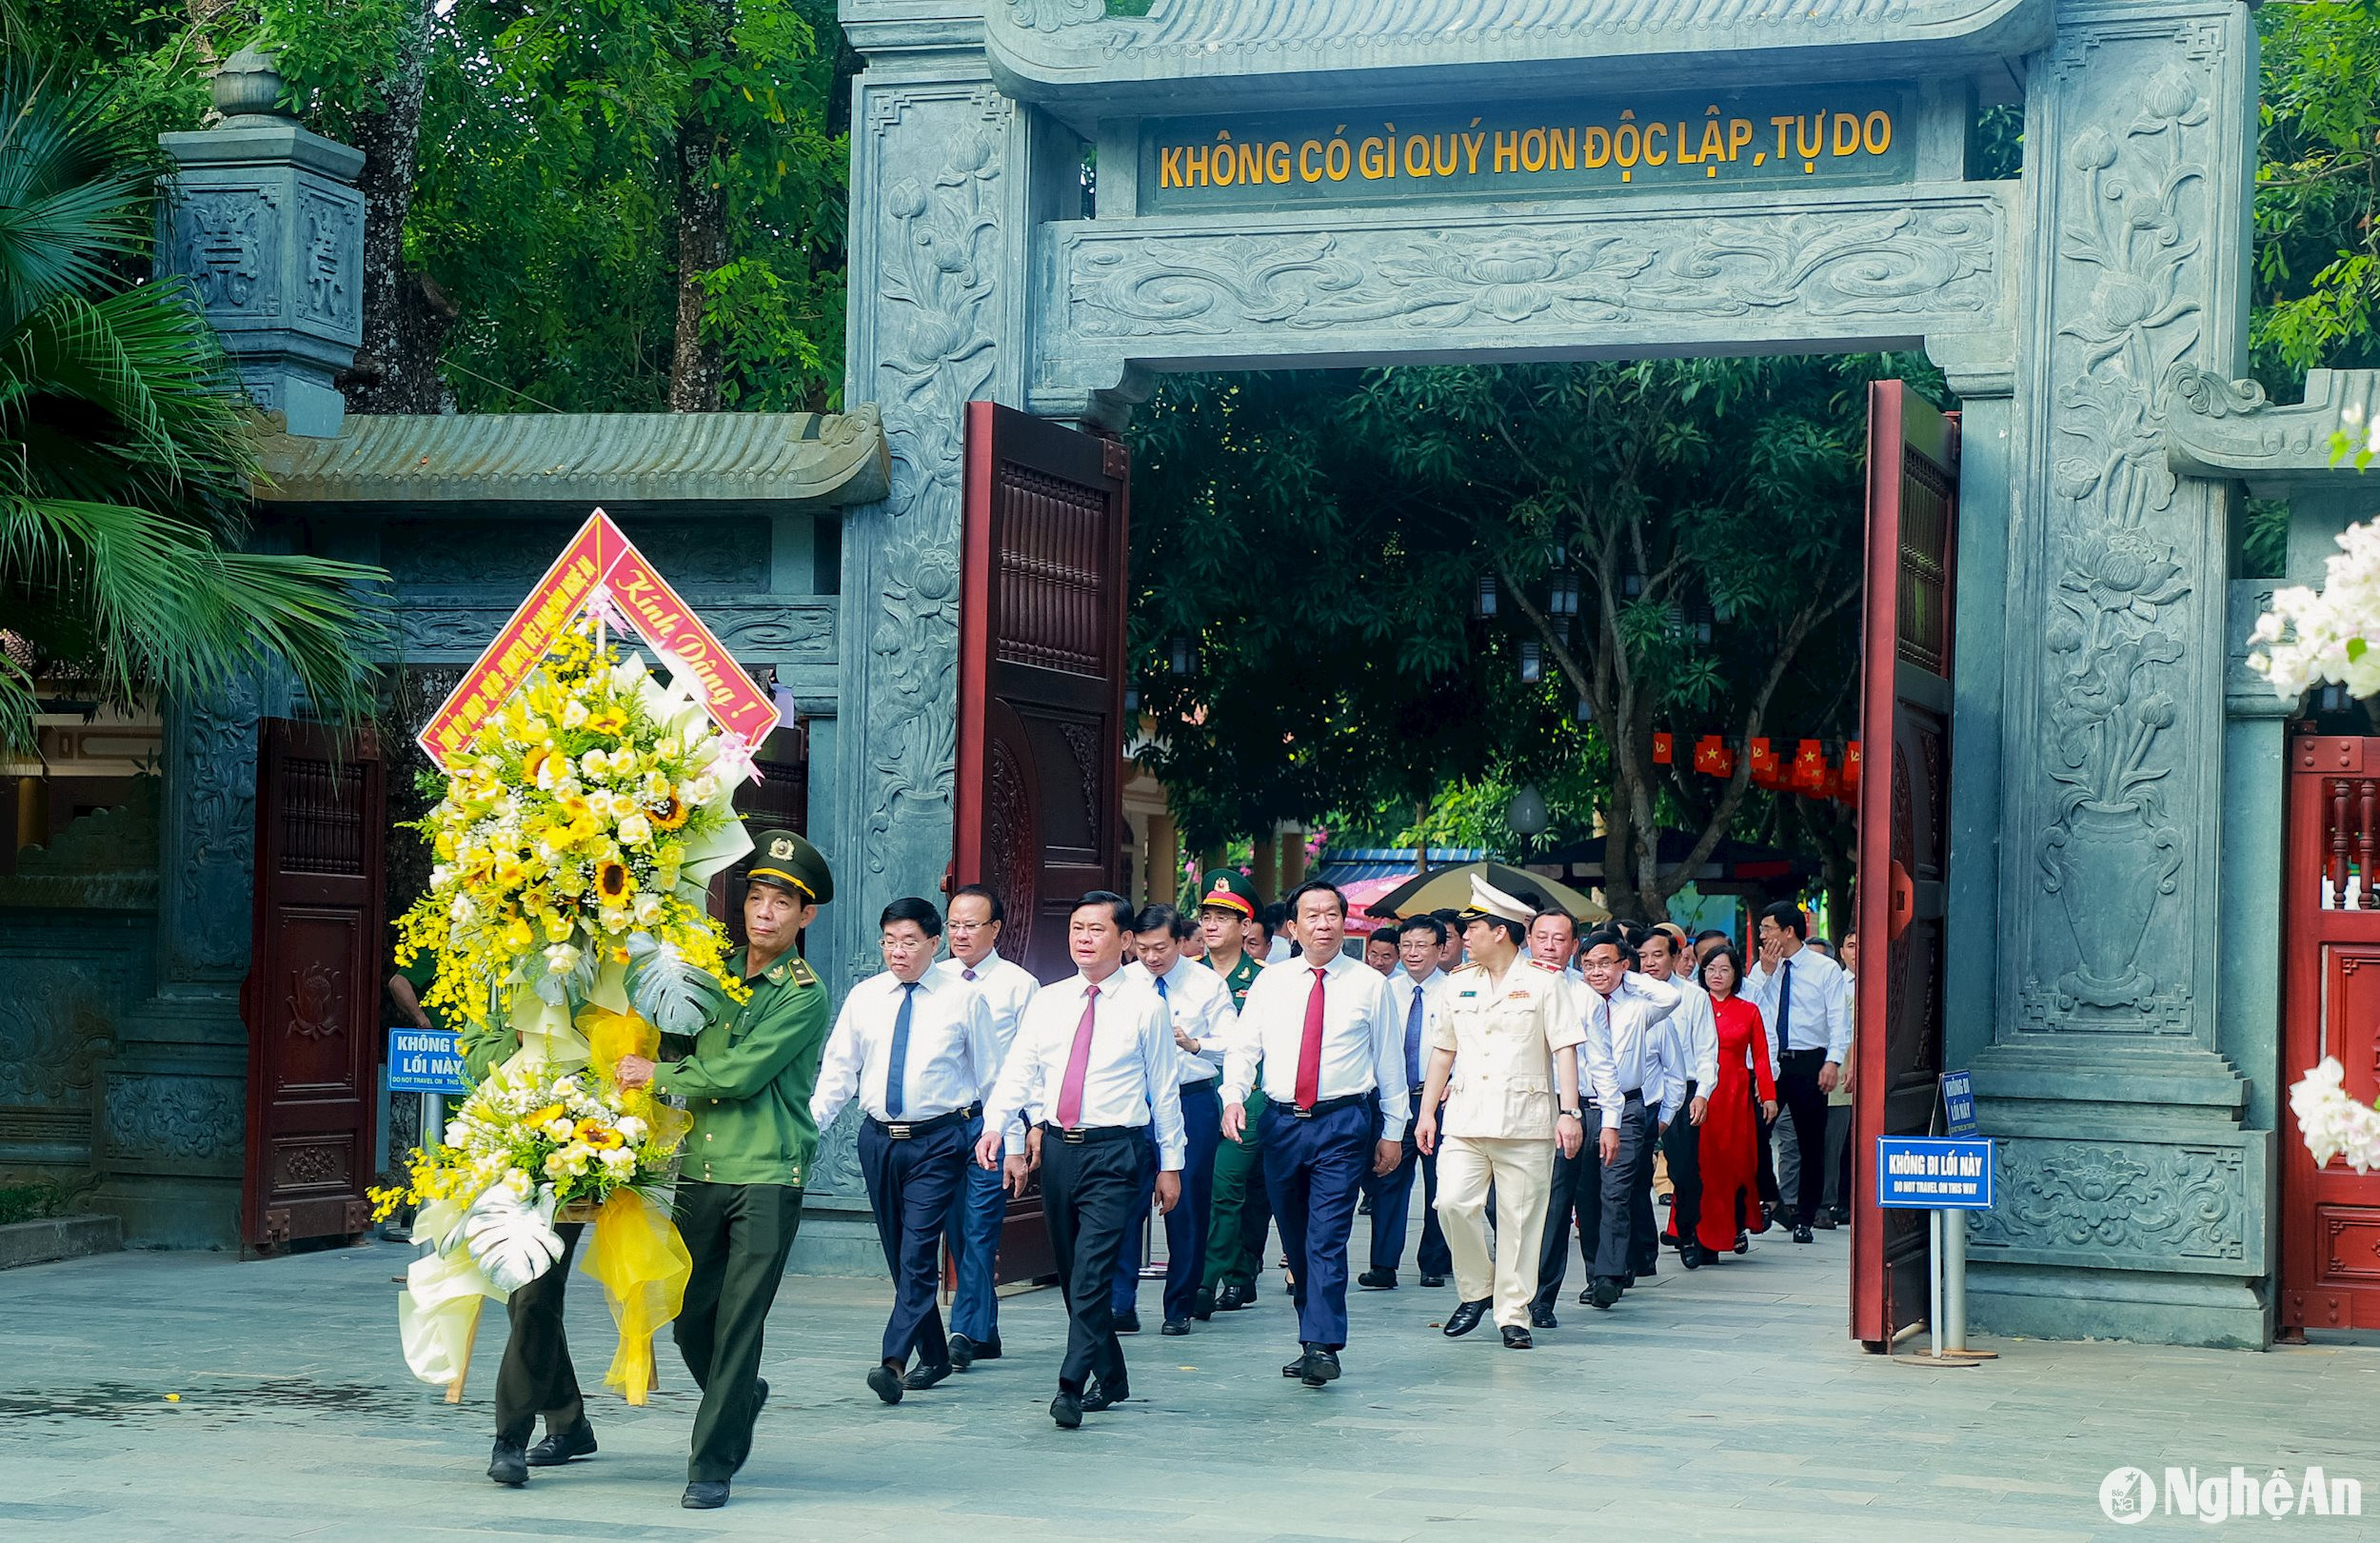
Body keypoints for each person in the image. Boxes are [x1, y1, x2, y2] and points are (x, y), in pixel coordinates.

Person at [613, 829, 834, 1511]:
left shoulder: (803, 994)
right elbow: (668, 1024)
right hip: (702, 1171)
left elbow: (737, 1074)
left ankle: (711, 1462)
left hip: (767, 1175)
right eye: (757, 897)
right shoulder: (709, 972)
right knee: (687, 1317)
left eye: (781, 902)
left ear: (806, 916)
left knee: (741, 1321)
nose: (764, 912)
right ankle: (739, 1396)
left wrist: (658, 1073)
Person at [976, 892, 1184, 1430]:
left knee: (1091, 1273)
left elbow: (1163, 1089)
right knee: (1073, 1277)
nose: (1084, 938)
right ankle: (1112, 1374)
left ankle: (1071, 1384)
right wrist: (997, 1125)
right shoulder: (1050, 999)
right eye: (1076, 928)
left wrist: (1171, 1163)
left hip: (1117, 1151)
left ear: (1126, 941)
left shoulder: (1146, 1005)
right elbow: (1019, 1070)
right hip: (1061, 1151)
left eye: (1096, 929)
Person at [811, 897, 1001, 1405]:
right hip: (878, 1140)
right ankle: (935, 1354)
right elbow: (839, 1071)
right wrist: (810, 1127)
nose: (897, 951)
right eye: (889, 941)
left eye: (909, 941)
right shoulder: (865, 997)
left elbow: (991, 1073)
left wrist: (1001, 1129)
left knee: (918, 1252)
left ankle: (892, 1361)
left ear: (934, 944)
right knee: (901, 1255)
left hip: (940, 1140)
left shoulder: (963, 999)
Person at [1223, 879, 1406, 1389]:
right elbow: (1243, 1048)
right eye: (1312, 915)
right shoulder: (1272, 982)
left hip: (1343, 1122)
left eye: (1332, 915)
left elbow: (1389, 1063)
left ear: (1345, 922)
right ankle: (1311, 1335)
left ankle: (1324, 1344)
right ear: (1293, 926)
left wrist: (1393, 1130)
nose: (1323, 924)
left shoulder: (1370, 985)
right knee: (1298, 1239)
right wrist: (1233, 1096)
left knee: (1327, 1236)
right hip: (1281, 1122)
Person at [1420, 879, 1588, 1349]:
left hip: (1526, 1121)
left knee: (1519, 1223)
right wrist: (1427, 1112)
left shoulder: (1544, 981)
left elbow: (1564, 1050)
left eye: (1471, 929)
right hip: (1467, 1119)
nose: (1463, 937)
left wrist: (1569, 1111)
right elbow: (1441, 1052)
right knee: (1451, 1203)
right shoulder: (1457, 985)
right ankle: (1478, 1288)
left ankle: (1513, 1313)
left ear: (1500, 932)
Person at [1112, 903, 1236, 1335]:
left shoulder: (1206, 984)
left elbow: (1234, 1043)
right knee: (1124, 1203)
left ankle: (1179, 1304)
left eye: (1160, 947)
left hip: (1191, 1101)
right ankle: (1119, 1302)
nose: (1151, 958)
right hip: (1133, 1106)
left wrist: (1194, 1043)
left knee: (1186, 1204)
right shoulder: (1120, 984)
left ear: (1180, 941)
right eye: (1142, 948)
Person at [933, 884, 1041, 1371]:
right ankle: (986, 1329)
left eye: (970, 925)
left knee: (979, 1229)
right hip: (941, 1125)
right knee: (958, 1229)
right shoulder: (932, 980)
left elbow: (1027, 1068)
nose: (959, 933)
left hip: (990, 1123)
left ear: (995, 929)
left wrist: (1021, 1135)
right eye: (953, 924)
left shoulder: (1020, 986)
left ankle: (966, 1330)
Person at [1576, 926, 1682, 1310]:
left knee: (1616, 1193)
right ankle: (1594, 1273)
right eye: (1588, 965)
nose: (1596, 972)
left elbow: (1670, 995)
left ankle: (1609, 1275)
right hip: (1582, 1109)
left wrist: (1625, 974)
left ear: (1623, 964)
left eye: (1605, 963)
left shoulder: (1638, 1006)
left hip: (1628, 1109)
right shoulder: (1575, 1001)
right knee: (1586, 1196)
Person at [1358, 914, 1455, 1290]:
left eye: (1423, 945)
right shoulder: (1383, 990)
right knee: (1387, 1180)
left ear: (1441, 949)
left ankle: (1434, 1261)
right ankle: (1383, 1264)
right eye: (1407, 946)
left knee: (1440, 1184)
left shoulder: (1456, 991)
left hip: (1440, 1101)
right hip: (1391, 1101)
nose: (1413, 954)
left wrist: (1455, 1082)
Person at [1745, 900, 1852, 1243]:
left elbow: (1838, 1019)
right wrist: (1765, 970)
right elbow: (1749, 1006)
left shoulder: (1824, 969)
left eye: (1767, 928)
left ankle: (1805, 1215)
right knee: (1754, 1134)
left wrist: (1833, 1061)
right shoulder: (1762, 968)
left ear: (1788, 931)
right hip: (1770, 1061)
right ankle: (1771, 1197)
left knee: (1811, 1143)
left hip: (1809, 1060)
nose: (1762, 935)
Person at [1194, 870, 1275, 1316]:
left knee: (1226, 1186)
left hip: (1251, 1098)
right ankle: (1241, 1275)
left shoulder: (1266, 979)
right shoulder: (1186, 976)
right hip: (1197, 1095)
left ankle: (1205, 1281)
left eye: (1224, 917)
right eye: (1206, 916)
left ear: (1246, 928)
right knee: (1216, 1189)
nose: (1211, 925)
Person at [1521, 906, 1595, 1329]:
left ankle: (1542, 1297)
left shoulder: (1583, 995)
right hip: (1510, 1111)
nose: (1549, 946)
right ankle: (1513, 1276)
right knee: (1496, 1202)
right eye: (1542, 936)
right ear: (1528, 938)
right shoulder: (1505, 983)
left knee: (1554, 1207)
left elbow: (1598, 1061)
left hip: (1563, 1111)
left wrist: (1602, 1117)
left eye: (1560, 939)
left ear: (1574, 946)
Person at [1691, 943, 1775, 1257]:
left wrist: (1768, 1095)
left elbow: (1762, 1057)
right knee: (1701, 1162)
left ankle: (1733, 1226)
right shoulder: (1694, 1004)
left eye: (1724, 969)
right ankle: (1697, 1232)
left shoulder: (1748, 1009)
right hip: (1702, 1091)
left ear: (1736, 974)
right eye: (1711, 969)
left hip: (1735, 1092)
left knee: (1735, 1163)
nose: (1717, 975)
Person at [1644, 925, 1721, 1268]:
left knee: (1684, 1169)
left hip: (1683, 1092)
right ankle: (1640, 1249)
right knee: (1630, 1175)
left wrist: (1703, 1093)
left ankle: (1688, 1231)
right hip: (1638, 1092)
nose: (1649, 963)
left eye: (1658, 955)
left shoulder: (1693, 996)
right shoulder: (1627, 993)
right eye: (1643, 956)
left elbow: (1707, 1050)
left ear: (1676, 957)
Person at [1824, 932, 1858, 1226]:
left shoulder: (1883, 983)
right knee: (1837, 1141)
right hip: (1840, 1074)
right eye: (1850, 946)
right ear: (1842, 952)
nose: (1856, 952)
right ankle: (1833, 1201)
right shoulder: (1836, 985)